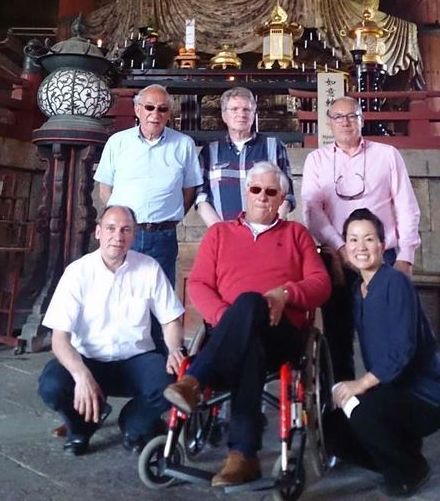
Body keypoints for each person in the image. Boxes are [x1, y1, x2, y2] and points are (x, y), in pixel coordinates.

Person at [164, 161, 330, 487]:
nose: (262, 197)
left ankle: (196, 380)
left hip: (282, 336)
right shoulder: (220, 234)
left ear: (282, 197)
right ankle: (243, 455)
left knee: (252, 301)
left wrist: (284, 294)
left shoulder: (296, 234)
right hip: (234, 334)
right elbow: (198, 285)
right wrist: (231, 319)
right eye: (256, 190)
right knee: (247, 337)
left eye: (271, 192)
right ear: (246, 192)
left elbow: (321, 283)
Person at [38, 206, 185, 456]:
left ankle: (133, 423)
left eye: (126, 229)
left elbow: (171, 318)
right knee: (52, 385)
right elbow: (60, 338)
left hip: (136, 359)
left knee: (171, 382)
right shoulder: (77, 272)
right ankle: (83, 426)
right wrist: (81, 375)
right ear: (98, 232)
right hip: (89, 360)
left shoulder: (148, 268)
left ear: (133, 234)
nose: (118, 236)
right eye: (111, 228)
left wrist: (173, 349)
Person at [301, 95, 420, 381]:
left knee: (384, 334)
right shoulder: (316, 160)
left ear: (362, 119)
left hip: (383, 257)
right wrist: (341, 248)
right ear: (328, 122)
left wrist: (406, 256)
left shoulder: (387, 155)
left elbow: (406, 205)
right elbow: (312, 211)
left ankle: (386, 399)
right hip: (337, 261)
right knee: (338, 334)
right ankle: (343, 405)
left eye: (352, 115)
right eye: (338, 117)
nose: (345, 122)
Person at [327, 208, 440, 498]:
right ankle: (402, 454)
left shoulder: (396, 282)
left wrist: (360, 385)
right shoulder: (359, 291)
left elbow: (403, 349)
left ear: (382, 244)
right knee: (332, 429)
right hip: (391, 392)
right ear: (345, 246)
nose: (360, 247)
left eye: (368, 239)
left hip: (423, 395)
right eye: (353, 240)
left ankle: (410, 470)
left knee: (362, 411)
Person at [94, 84, 202, 286]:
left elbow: (190, 190)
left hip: (164, 236)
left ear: (169, 113)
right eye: (149, 107)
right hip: (124, 234)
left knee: (159, 298)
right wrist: (125, 220)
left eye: (162, 109)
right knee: (119, 293)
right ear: (137, 110)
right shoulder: (117, 142)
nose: (155, 114)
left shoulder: (184, 144)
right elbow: (105, 189)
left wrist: (170, 216)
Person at [196, 87, 295, 227]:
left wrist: (272, 227)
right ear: (224, 115)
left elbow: (287, 194)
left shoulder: (273, 146)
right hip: (225, 235)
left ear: (253, 114)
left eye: (246, 110)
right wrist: (219, 230)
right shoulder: (210, 151)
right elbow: (201, 197)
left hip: (266, 233)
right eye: (234, 109)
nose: (241, 114)